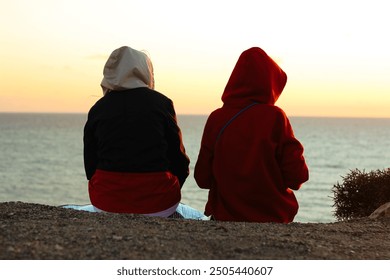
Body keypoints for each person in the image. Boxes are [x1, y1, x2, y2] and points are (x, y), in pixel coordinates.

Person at [194, 47, 309, 223]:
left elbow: (202, 179)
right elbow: (297, 177)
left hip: (224, 218)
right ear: (270, 83)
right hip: (273, 218)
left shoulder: (216, 118)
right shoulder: (275, 117)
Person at [83, 46, 195, 218]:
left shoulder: (98, 108)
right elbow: (179, 161)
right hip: (159, 204)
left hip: (106, 202)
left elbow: (90, 167)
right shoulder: (162, 103)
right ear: (146, 71)